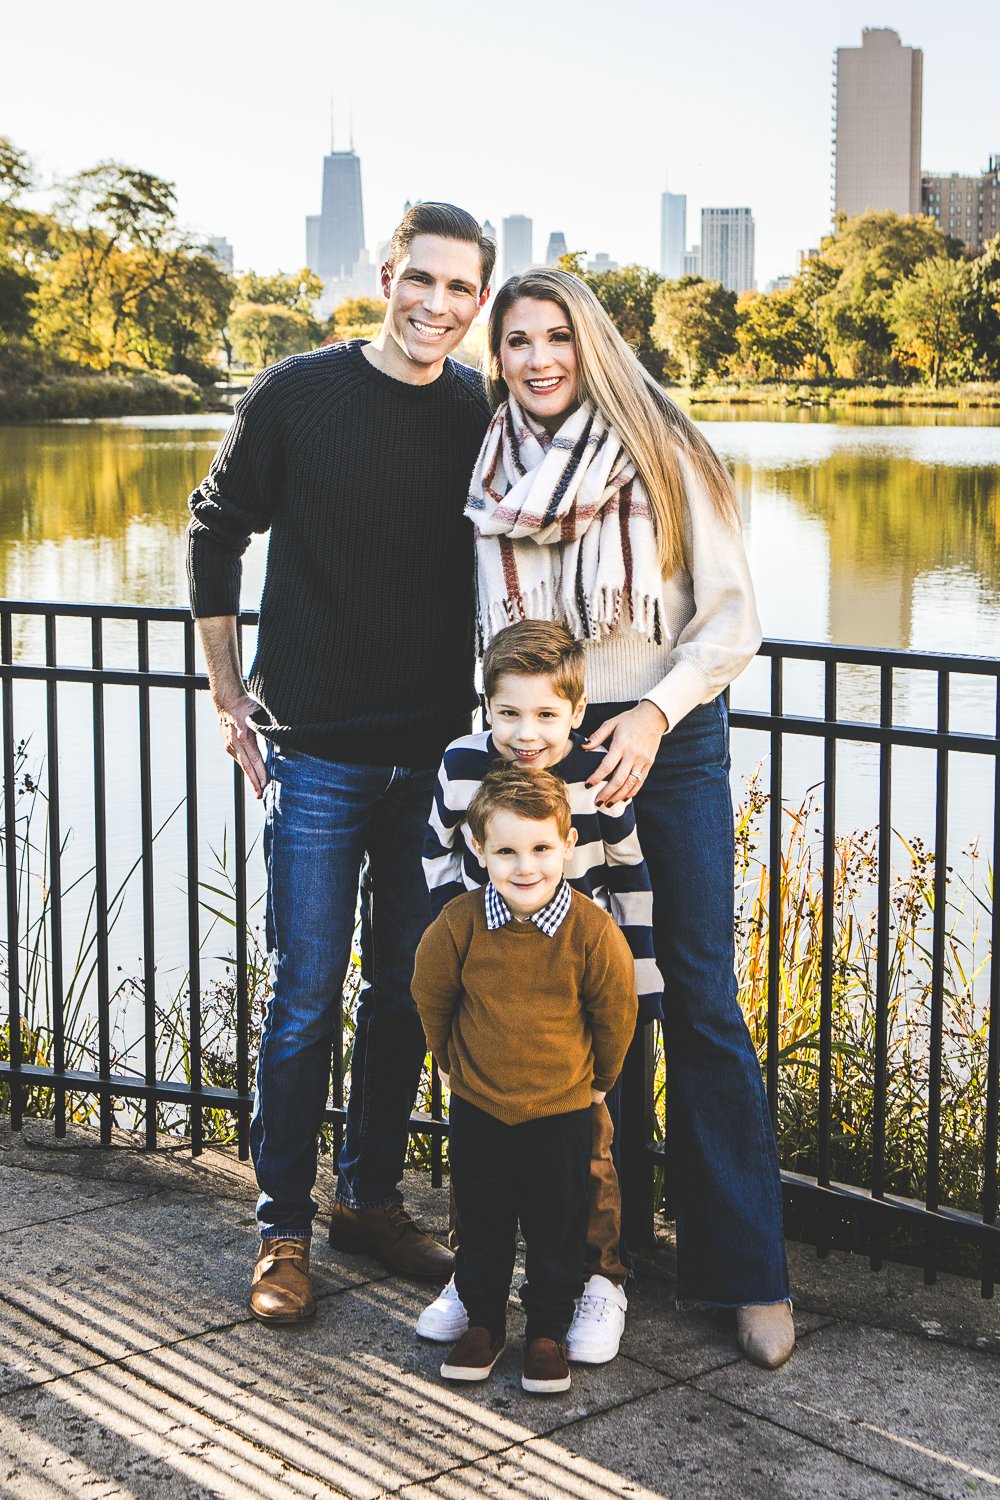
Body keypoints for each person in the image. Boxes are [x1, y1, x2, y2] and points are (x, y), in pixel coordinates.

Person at [464, 268, 795, 1370]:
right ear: (496, 353)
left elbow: (732, 616)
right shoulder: (484, 463)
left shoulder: (665, 447)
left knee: (698, 995)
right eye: (517, 340)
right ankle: (608, 1259)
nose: (539, 357)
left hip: (668, 732)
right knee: (594, 1006)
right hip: (546, 745)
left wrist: (651, 712)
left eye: (557, 336)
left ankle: (745, 1272)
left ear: (591, 344)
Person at [186, 202, 495, 1324]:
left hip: (431, 764)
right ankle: (281, 1231)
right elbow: (213, 526)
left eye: (462, 290)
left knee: (407, 995)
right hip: (312, 757)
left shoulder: (478, 407)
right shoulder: (295, 394)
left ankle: (368, 1201)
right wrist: (227, 692)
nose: (438, 306)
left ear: (478, 301)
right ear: (385, 275)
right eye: (422, 280)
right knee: (305, 997)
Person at [417, 618, 661, 1364]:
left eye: (546, 715)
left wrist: (637, 976)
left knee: (588, 1145)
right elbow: (435, 848)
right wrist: (457, 932)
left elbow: (628, 869)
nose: (527, 733)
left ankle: (597, 1279)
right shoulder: (461, 765)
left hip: (576, 981)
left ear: (576, 714)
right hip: (492, 969)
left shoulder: (595, 774)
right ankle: (474, 1281)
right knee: (479, 1145)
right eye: (509, 714)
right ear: (486, 707)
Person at [411, 766, 638, 1393]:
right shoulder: (460, 923)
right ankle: (483, 1323)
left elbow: (616, 1009)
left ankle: (546, 1331)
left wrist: (600, 1084)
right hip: (481, 1104)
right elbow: (431, 994)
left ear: (566, 845)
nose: (525, 866)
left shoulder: (591, 931)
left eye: (541, 848)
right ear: (478, 850)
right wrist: (450, 1062)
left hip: (562, 1109)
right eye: (506, 851)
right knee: (482, 1220)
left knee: (557, 1225)